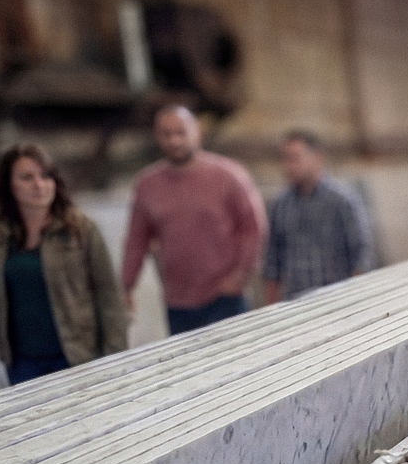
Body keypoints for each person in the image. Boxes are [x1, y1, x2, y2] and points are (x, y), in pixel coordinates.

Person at [0, 143, 127, 393]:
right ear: (9, 185)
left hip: (78, 356)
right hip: (22, 362)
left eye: (45, 175)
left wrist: (116, 356)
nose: (39, 185)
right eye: (27, 178)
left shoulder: (80, 229)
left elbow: (108, 295)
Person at [121, 105, 266, 334]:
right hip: (178, 301)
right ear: (157, 137)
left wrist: (240, 275)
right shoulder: (147, 185)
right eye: (166, 134)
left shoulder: (228, 176)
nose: (174, 141)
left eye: (180, 133)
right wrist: (126, 286)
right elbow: (136, 240)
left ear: (197, 132)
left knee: (237, 365)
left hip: (224, 296)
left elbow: (253, 228)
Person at [262, 130, 374, 303]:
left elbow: (361, 255)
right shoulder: (281, 205)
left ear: (318, 158)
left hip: (337, 301)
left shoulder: (342, 200)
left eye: (295, 158)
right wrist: (271, 308)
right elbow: (272, 261)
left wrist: (355, 301)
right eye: (285, 159)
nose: (288, 166)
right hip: (296, 304)